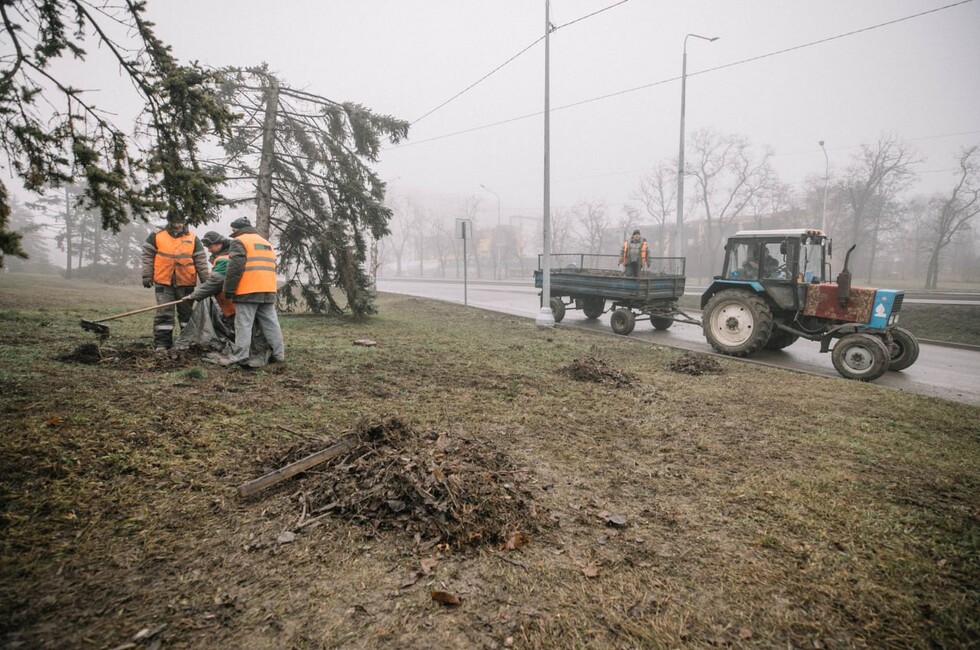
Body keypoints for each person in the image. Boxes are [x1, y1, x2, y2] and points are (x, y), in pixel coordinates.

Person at [222, 216, 285, 366]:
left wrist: (229, 290)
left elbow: (234, 268)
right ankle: (279, 355)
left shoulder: (239, 241)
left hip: (248, 290)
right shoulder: (266, 243)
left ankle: (240, 356)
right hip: (268, 289)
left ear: (236, 230)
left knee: (243, 324)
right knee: (271, 324)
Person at [141, 216, 209, 351]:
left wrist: (206, 281)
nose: (178, 225)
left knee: (186, 314)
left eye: (180, 221)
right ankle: (161, 344)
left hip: (186, 282)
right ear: (169, 221)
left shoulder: (193, 238)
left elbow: (201, 261)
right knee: (164, 313)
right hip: (163, 282)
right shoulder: (157, 236)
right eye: (175, 221)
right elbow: (147, 256)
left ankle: (187, 342)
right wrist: (147, 275)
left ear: (185, 222)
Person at [183, 231, 236, 334]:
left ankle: (245, 349)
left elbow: (215, 281)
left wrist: (193, 296)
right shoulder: (227, 255)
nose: (209, 250)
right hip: (231, 303)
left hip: (233, 303)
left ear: (219, 244)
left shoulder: (224, 259)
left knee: (239, 328)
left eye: (210, 247)